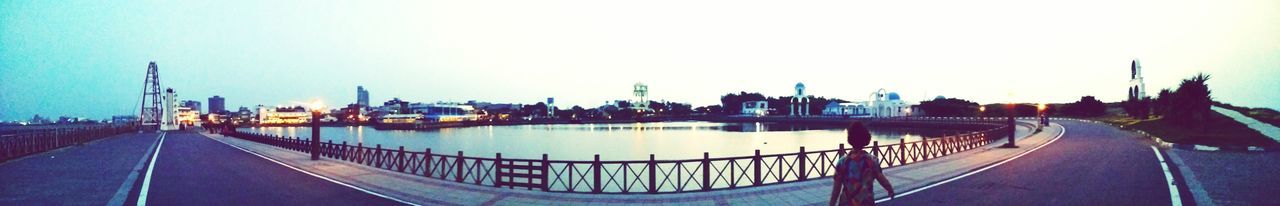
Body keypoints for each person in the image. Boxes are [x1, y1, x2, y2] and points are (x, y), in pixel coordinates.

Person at [830, 122, 894, 206]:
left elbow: (836, 188)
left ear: (850, 139)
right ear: (866, 139)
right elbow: (881, 178)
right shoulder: (872, 160)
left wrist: (832, 204)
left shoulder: (842, 162)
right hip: (866, 202)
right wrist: (889, 189)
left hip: (847, 203)